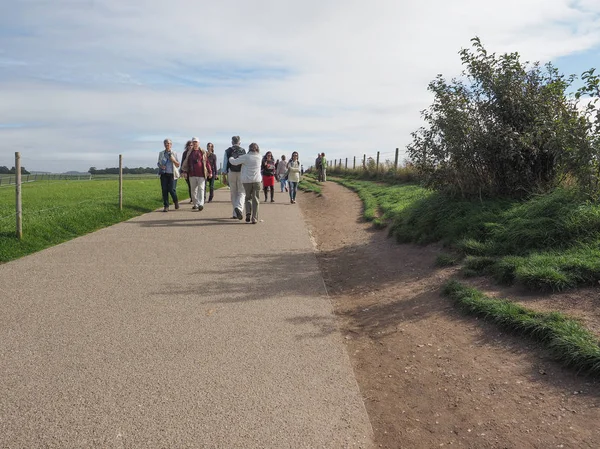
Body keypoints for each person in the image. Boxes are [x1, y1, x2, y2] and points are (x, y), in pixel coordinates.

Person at [229, 142, 262, 224]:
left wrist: (231, 158)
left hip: (247, 181)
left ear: (249, 149)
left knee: (248, 198)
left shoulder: (245, 157)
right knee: (256, 199)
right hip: (257, 180)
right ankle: (254, 218)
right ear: (257, 149)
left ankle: (248, 214)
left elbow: (234, 162)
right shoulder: (259, 157)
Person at [181, 137, 212, 211]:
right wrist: (184, 171)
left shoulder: (203, 152)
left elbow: (207, 163)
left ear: (199, 143)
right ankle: (196, 204)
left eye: (196, 142)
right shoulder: (189, 153)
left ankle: (201, 204)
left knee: (201, 189)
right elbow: (186, 163)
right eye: (193, 142)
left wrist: (210, 172)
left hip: (201, 174)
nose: (195, 144)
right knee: (193, 191)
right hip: (192, 174)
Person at [222, 136, 246, 220]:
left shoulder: (228, 151)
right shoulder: (243, 151)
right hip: (241, 172)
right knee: (242, 192)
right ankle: (239, 208)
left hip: (231, 172)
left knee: (233, 192)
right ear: (239, 142)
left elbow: (225, 164)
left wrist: (224, 175)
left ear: (232, 142)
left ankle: (235, 213)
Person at [157, 138, 180, 212]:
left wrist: (173, 160)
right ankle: (166, 206)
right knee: (164, 190)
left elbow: (178, 165)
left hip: (172, 174)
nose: (168, 145)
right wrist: (161, 166)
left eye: (169, 143)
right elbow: (158, 163)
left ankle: (175, 201)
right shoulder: (161, 153)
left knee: (171, 189)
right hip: (164, 174)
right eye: (166, 143)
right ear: (164, 144)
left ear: (171, 145)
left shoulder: (174, 153)